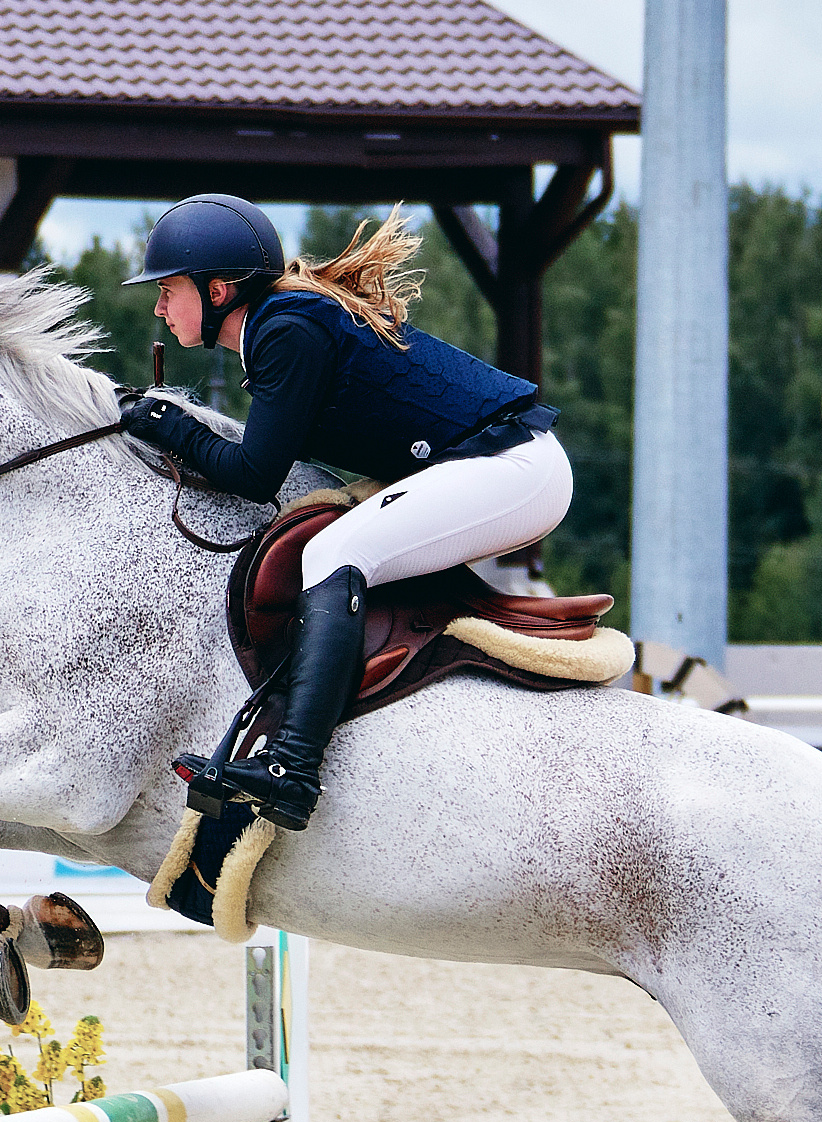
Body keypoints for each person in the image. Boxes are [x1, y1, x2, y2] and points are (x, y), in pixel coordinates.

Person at [118, 195, 572, 832]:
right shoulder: (276, 326)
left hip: (514, 469)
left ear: (217, 289)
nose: (159, 306)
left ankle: (293, 769)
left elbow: (254, 474)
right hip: (491, 465)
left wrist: (170, 429)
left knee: (331, 553)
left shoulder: (283, 330)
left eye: (167, 290)